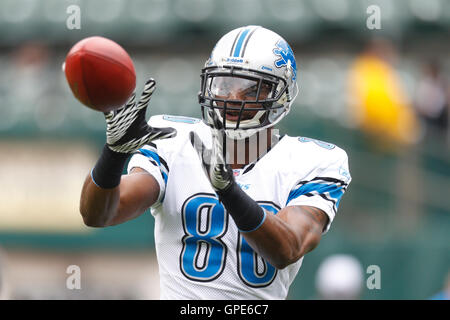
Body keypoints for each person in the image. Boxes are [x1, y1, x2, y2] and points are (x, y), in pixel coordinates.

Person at [79, 25, 352, 299]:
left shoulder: (314, 160)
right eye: (223, 85)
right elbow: (99, 215)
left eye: (250, 88)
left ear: (281, 94)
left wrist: (229, 192)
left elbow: (287, 249)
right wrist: (113, 156)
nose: (232, 98)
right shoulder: (173, 142)